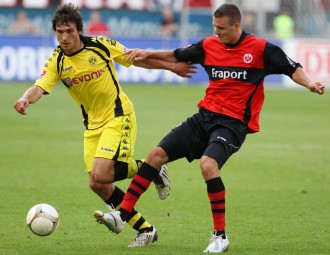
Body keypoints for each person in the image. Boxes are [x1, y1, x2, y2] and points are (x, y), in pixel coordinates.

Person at [95, 3, 325, 253]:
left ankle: (220, 237)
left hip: (233, 124)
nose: (218, 33)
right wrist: (145, 52)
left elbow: (292, 68)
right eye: (215, 28)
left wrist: (310, 83)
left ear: (237, 26)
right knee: (155, 156)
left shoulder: (260, 49)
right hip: (204, 117)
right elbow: (175, 55)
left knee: (208, 165)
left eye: (222, 28)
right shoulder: (208, 45)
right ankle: (122, 214)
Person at [13, 3, 196, 248]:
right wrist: (25, 98)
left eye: (68, 31)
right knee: (97, 183)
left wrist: (172, 66)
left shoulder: (99, 45)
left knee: (101, 173)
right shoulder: (57, 60)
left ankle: (152, 167)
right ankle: (146, 229)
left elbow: (137, 59)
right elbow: (39, 87)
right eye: (59, 32)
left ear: (79, 30)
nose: (64, 37)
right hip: (92, 126)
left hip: (118, 116)